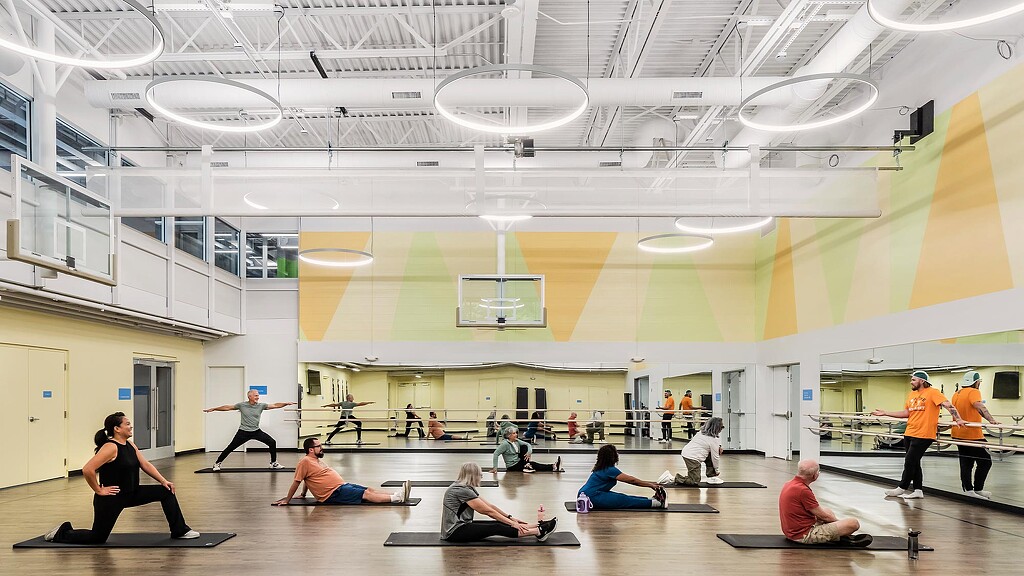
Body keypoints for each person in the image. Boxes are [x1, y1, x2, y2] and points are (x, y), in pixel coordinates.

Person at [44, 412, 200, 543]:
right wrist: (98, 490)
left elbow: (145, 464)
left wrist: (163, 481)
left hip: (133, 493)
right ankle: (61, 532)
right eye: (127, 424)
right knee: (97, 537)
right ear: (117, 429)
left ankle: (180, 531)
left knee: (166, 491)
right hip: (112, 498)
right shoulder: (110, 447)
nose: (131, 426)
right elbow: (87, 469)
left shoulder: (130, 444)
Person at [871, 370, 966, 499]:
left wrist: (958, 419)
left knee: (909, 461)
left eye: (914, 380)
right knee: (915, 462)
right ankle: (918, 490)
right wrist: (886, 413)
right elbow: (906, 413)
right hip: (910, 432)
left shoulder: (933, 392)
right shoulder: (911, 394)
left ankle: (902, 487)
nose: (911, 382)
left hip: (924, 434)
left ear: (922, 381)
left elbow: (948, 405)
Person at [442, 462, 558, 542]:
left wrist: (510, 518)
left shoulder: (465, 487)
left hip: (462, 525)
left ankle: (536, 525)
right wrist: (512, 523)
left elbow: (490, 506)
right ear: (472, 475)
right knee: (496, 527)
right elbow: (488, 512)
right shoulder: (461, 490)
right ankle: (539, 531)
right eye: (479, 474)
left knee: (501, 523)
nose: (481, 477)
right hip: (454, 532)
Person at [274, 438, 410, 505]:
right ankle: (397, 498)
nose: (322, 448)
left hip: (341, 486)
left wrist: (303, 494)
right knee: (366, 494)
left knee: (369, 489)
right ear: (311, 449)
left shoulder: (315, 460)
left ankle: (397, 493)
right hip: (332, 494)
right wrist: (288, 499)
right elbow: (297, 481)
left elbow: (307, 479)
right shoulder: (305, 461)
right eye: (319, 446)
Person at [779, 459, 871, 546]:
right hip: (803, 535)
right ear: (814, 476)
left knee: (827, 511)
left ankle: (838, 535)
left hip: (792, 532)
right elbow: (824, 516)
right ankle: (843, 536)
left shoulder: (790, 484)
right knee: (853, 523)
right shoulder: (802, 490)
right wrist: (843, 526)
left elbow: (820, 513)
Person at [204, 389, 296, 471]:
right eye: (256, 395)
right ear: (249, 396)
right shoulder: (242, 405)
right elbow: (227, 407)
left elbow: (275, 405)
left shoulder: (261, 406)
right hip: (243, 432)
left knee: (272, 442)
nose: (258, 397)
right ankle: (217, 463)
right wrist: (214, 409)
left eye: (258, 395)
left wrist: (285, 403)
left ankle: (273, 463)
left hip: (256, 431)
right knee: (230, 447)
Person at [951, 371, 1001, 499]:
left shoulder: (956, 394)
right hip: (972, 435)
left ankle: (969, 489)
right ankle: (976, 489)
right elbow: (979, 406)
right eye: (979, 382)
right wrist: (991, 420)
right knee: (985, 462)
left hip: (957, 433)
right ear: (976, 382)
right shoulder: (974, 392)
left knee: (966, 462)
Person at [578, 444, 667, 509]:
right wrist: (650, 485)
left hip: (587, 494)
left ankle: (651, 500)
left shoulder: (602, 468)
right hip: (591, 497)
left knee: (623, 497)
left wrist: (651, 483)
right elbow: (632, 480)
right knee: (623, 500)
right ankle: (657, 504)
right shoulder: (609, 470)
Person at [668, 417, 724, 486]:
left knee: (712, 453)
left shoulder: (701, 433)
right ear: (716, 428)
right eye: (722, 427)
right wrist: (717, 470)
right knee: (694, 480)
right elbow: (715, 457)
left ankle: (711, 477)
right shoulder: (712, 440)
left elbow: (714, 445)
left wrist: (719, 447)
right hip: (691, 457)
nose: (722, 429)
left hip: (688, 452)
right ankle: (672, 478)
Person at [491, 427, 562, 473]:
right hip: (512, 466)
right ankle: (553, 466)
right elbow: (496, 454)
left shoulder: (516, 441)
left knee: (524, 446)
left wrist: (529, 452)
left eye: (516, 433)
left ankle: (526, 465)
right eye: (514, 433)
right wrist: (495, 468)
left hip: (519, 461)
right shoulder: (505, 444)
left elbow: (528, 445)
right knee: (533, 464)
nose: (516, 435)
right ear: (509, 435)